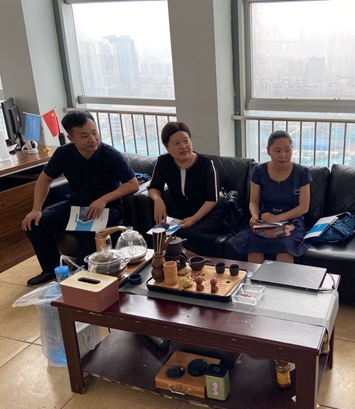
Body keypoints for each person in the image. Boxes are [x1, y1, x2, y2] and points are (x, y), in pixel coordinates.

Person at [22, 110, 139, 286]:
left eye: (94, 133)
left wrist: (103, 199)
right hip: (76, 204)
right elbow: (44, 180)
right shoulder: (64, 153)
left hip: (108, 208)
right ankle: (50, 269)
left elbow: (132, 184)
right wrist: (36, 209)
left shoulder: (110, 155)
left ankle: (83, 276)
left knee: (88, 237)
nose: (93, 139)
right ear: (71, 138)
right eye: (85, 136)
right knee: (35, 223)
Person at [231, 130, 312, 263]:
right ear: (268, 151)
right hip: (265, 223)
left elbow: (304, 207)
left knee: (284, 246)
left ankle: (280, 278)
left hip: (292, 223)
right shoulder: (259, 171)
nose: (283, 155)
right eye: (277, 151)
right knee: (254, 245)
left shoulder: (301, 173)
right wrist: (254, 216)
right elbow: (253, 202)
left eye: (287, 150)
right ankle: (254, 277)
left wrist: (278, 218)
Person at [147, 121, 222, 255]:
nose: (183, 146)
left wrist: (193, 219)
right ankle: (177, 263)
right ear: (167, 147)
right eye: (177, 143)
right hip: (180, 213)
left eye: (186, 141)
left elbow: (213, 199)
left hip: (207, 214)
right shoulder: (163, 162)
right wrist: (157, 200)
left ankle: (195, 263)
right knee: (160, 234)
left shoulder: (206, 164)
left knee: (189, 235)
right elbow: (154, 187)